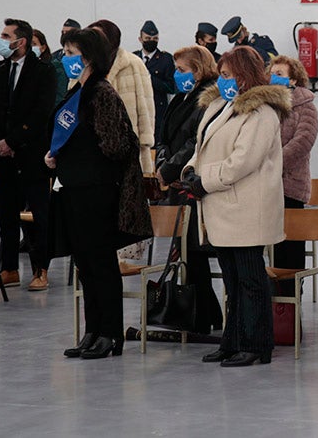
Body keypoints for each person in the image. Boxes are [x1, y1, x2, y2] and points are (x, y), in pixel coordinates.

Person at [45, 28, 151, 359]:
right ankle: (92, 330)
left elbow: (117, 145)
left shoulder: (102, 94)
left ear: (87, 57)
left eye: (70, 51)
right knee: (86, 265)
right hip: (75, 189)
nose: (65, 58)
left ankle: (111, 334)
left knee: (102, 265)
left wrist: (76, 153)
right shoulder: (77, 92)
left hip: (97, 190)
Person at [182, 46, 290, 367]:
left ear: (244, 76)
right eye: (222, 75)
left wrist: (205, 180)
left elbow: (243, 160)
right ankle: (232, 340)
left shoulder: (262, 113)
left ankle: (257, 345)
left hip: (246, 208)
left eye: (228, 75)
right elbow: (202, 147)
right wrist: (190, 171)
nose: (223, 80)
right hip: (223, 207)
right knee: (231, 280)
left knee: (250, 280)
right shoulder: (219, 105)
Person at [0, 18, 57, 292]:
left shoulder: (43, 72)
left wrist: (13, 140)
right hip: (3, 156)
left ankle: (40, 269)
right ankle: (9, 268)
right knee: (6, 214)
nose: (0, 40)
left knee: (39, 215)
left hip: (31, 154)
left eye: (5, 35)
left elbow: (41, 113)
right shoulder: (0, 71)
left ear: (20, 41)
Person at [154, 45, 223, 335]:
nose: (177, 75)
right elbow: (164, 134)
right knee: (186, 253)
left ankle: (206, 315)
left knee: (194, 251)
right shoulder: (181, 97)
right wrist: (161, 160)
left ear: (198, 69)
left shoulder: (206, 98)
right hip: (174, 180)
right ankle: (204, 314)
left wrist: (170, 169)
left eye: (182, 70)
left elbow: (195, 141)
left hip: (190, 181)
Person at [87, 19, 155, 268]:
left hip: (127, 145)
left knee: (125, 204)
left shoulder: (133, 64)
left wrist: (146, 143)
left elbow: (146, 107)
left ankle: (120, 254)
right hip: (94, 151)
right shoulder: (87, 65)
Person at [267, 55, 318, 284]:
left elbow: (303, 141)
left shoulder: (305, 106)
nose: (274, 78)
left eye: (280, 74)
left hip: (291, 185)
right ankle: (276, 299)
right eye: (272, 73)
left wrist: (273, 162)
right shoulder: (266, 104)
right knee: (273, 246)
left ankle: (291, 296)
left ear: (294, 79)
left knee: (290, 249)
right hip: (266, 185)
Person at [134, 20, 176, 142]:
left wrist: (149, 78)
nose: (151, 41)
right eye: (147, 38)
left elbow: (171, 87)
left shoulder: (166, 59)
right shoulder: (133, 58)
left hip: (157, 110)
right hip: (137, 110)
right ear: (140, 39)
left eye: (155, 38)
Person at [34, 28, 68, 103]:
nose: (29, 48)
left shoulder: (55, 67)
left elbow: (59, 98)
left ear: (43, 48)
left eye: (33, 44)